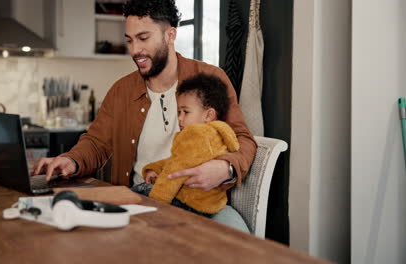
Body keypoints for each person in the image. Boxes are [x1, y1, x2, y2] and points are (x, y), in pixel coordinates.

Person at [32, 0, 257, 232]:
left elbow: (243, 139)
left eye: (143, 38)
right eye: (129, 40)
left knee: (244, 245)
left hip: (204, 201)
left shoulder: (210, 78)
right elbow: (96, 142)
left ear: (170, 35)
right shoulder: (121, 91)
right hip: (144, 201)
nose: (134, 50)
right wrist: (72, 160)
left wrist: (225, 168)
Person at [132, 73, 240, 218]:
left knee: (135, 192)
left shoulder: (194, 135)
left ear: (209, 115)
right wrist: (154, 168)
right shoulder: (219, 134)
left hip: (187, 204)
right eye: (178, 112)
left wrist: (156, 203)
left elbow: (175, 171)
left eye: (186, 112)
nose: (180, 118)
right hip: (211, 206)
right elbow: (178, 160)